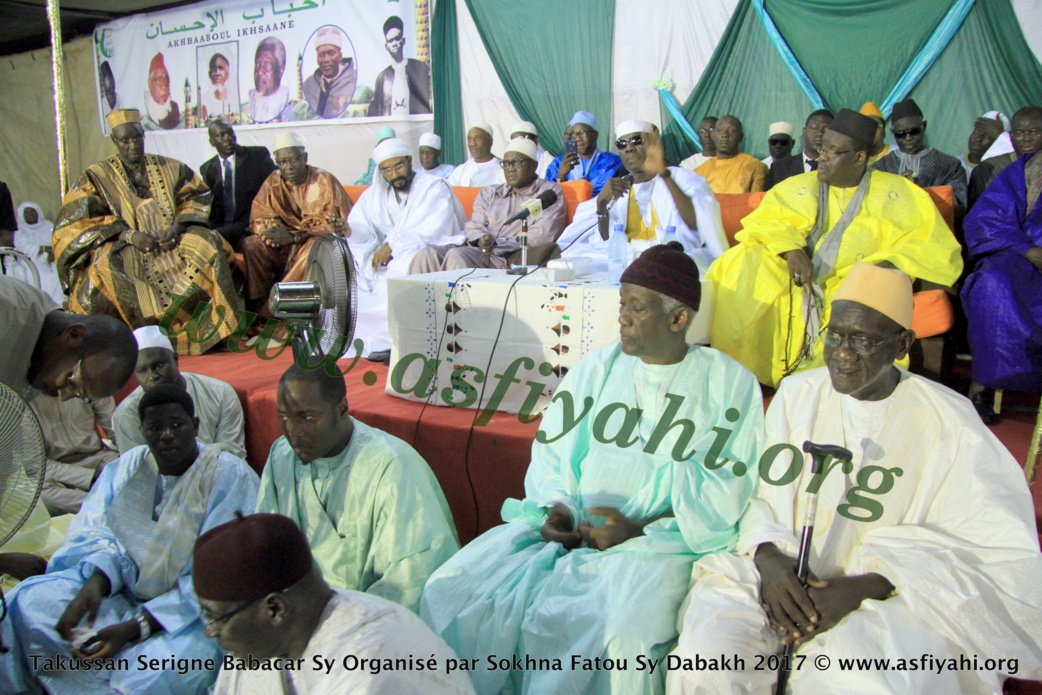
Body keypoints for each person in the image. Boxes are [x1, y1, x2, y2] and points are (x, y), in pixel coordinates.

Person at [668, 263, 1042, 695]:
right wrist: (767, 555)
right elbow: (753, 491)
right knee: (707, 661)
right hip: (780, 572)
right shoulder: (797, 394)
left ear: (902, 344)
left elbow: (986, 543)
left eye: (864, 341)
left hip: (896, 593)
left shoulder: (948, 421)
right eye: (836, 336)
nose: (843, 354)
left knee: (855, 678)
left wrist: (868, 586)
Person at [421, 243, 764, 695]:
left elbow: (725, 489)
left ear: (679, 318)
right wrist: (559, 508)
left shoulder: (728, 383)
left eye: (636, 308)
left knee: (615, 629)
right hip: (575, 529)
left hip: (662, 544)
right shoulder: (598, 367)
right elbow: (554, 451)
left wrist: (636, 528)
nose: (622, 318)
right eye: (621, 304)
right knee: (454, 589)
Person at [0, 385, 260, 695]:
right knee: (28, 600)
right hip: (119, 592)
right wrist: (96, 582)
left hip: (194, 615)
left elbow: (223, 576)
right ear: (141, 431)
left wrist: (137, 626)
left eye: (176, 425)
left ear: (195, 425)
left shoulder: (230, 476)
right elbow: (94, 530)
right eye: (155, 428)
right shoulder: (128, 467)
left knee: (142, 679)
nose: (166, 435)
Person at [707, 109, 962, 387]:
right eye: (822, 149)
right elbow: (764, 224)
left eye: (832, 151)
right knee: (740, 260)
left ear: (859, 157)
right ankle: (742, 373)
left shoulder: (898, 192)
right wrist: (791, 251)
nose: (822, 158)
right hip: (791, 273)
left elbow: (928, 243)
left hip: (854, 279)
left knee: (861, 293)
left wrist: (880, 266)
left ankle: (817, 384)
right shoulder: (797, 186)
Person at [195, 513, 476, 695]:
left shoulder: (371, 666)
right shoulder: (260, 649)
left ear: (275, 609)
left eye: (215, 617)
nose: (210, 632)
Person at [257, 364, 459, 612]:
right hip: (294, 615)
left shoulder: (391, 465)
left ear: (342, 409)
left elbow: (412, 580)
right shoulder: (282, 455)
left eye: (306, 418)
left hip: (369, 621)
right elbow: (267, 549)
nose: (293, 432)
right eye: (284, 418)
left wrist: (340, 622)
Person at [53, 109, 241, 355]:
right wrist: (129, 236)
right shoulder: (95, 176)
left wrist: (176, 228)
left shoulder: (170, 166)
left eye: (136, 138)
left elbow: (196, 195)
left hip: (172, 240)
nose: (132, 145)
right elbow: (78, 220)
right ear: (115, 140)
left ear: (143, 135)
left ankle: (215, 331)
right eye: (125, 140)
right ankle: (132, 339)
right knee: (105, 266)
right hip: (124, 244)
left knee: (209, 243)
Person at [558, 120, 728, 275]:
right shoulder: (619, 186)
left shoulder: (683, 178)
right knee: (573, 257)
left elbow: (699, 225)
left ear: (654, 145)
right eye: (622, 144)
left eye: (636, 140)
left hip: (672, 258)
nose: (629, 148)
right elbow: (605, 241)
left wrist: (664, 174)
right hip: (629, 259)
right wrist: (601, 206)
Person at [346, 137, 466, 357]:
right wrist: (348, 230)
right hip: (383, 257)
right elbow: (362, 227)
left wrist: (392, 245)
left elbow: (433, 227)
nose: (394, 174)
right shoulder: (374, 195)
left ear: (410, 161)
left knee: (404, 269)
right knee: (355, 280)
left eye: (399, 166)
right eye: (387, 170)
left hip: (423, 251)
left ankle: (396, 342)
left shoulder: (433, 187)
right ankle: (372, 343)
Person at [961, 146, 1042, 424]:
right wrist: (1026, 250)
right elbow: (988, 219)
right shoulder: (1027, 171)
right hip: (1024, 256)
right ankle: (981, 387)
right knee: (991, 283)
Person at [243, 130, 352, 323]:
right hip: (284, 247)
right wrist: (272, 231)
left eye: (293, 159)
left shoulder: (322, 180)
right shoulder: (273, 182)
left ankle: (277, 310)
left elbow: (337, 224)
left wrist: (295, 237)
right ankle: (257, 307)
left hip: (313, 243)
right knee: (252, 244)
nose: (288, 166)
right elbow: (260, 216)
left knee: (315, 245)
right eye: (282, 162)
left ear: (305, 157)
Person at [411, 137, 565, 272]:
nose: (510, 169)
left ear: (534, 165)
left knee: (457, 255)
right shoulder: (490, 193)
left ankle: (454, 298)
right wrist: (481, 238)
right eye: (506, 164)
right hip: (477, 248)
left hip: (505, 257)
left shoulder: (548, 193)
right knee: (427, 254)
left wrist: (497, 243)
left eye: (517, 163)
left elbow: (542, 235)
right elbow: (474, 224)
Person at [0, 274, 136, 405]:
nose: (62, 397)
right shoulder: (8, 307)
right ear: (73, 335)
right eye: (72, 383)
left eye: (78, 396)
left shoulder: (41, 369)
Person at [113, 325, 245, 457]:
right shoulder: (127, 414)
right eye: (142, 371)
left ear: (175, 359)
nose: (152, 376)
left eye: (158, 366)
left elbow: (233, 453)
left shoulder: (219, 393)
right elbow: (135, 464)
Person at [30, 394, 118, 515]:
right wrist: (89, 477)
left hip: (99, 458)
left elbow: (115, 429)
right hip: (58, 473)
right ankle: (109, 507)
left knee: (132, 469)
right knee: (40, 497)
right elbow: (35, 465)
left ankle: (103, 506)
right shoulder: (22, 403)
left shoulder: (87, 386)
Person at [872, 98, 967, 209]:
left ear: (924, 126)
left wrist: (920, 192)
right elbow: (873, 205)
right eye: (901, 134)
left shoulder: (949, 165)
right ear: (893, 133)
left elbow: (959, 205)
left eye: (914, 131)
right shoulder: (880, 168)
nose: (908, 138)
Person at [200, 120, 277, 250]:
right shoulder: (207, 169)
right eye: (222, 135)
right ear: (212, 142)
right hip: (221, 226)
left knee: (211, 238)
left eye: (230, 133)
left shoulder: (256, 156)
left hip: (249, 222)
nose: (228, 138)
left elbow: (276, 186)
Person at [969, 105, 1042, 208]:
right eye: (1019, 133)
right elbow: (976, 211)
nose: (1026, 138)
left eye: (1035, 132)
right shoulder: (988, 168)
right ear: (1011, 136)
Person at [545, 111, 622, 195]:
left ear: (595, 135)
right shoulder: (558, 163)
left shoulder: (612, 163)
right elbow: (549, 197)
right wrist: (561, 176)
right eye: (574, 134)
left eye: (583, 134)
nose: (578, 139)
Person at [367, 15, 431, 116]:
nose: (394, 43)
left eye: (397, 39)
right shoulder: (382, 78)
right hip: (391, 124)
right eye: (390, 41)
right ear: (386, 46)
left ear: (403, 40)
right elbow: (375, 111)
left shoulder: (418, 68)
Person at [696, 115, 768, 194]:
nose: (724, 135)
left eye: (732, 131)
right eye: (720, 130)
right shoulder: (699, 172)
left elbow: (756, 199)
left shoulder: (755, 167)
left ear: (740, 137)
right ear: (713, 135)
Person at [13, 201, 64, 304]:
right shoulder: (19, 231)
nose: (31, 214)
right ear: (22, 216)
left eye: (33, 211)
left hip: (53, 259)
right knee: (40, 276)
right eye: (27, 212)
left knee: (59, 275)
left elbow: (58, 242)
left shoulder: (49, 226)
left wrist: (53, 252)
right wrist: (42, 249)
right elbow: (23, 247)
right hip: (32, 261)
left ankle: (60, 303)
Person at [302, 26, 357, 118]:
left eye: (331, 53)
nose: (326, 59)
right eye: (321, 55)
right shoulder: (309, 84)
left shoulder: (353, 79)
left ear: (340, 56)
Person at [247, 36, 293, 124]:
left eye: (266, 64)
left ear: (281, 69)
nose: (260, 71)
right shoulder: (248, 103)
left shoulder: (289, 104)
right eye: (257, 64)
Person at [957, 111, 1007, 181]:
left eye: (988, 136)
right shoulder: (954, 165)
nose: (978, 139)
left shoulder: (1004, 170)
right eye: (976, 132)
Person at [142, 53, 180, 130]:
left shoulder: (173, 108)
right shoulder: (143, 108)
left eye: (165, 80)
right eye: (159, 80)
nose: (164, 86)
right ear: (150, 83)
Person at [765, 121, 803, 190]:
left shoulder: (800, 165)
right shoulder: (762, 165)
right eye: (774, 142)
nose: (778, 145)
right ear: (769, 143)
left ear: (792, 143)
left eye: (783, 142)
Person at [200, 52, 238, 121]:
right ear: (209, 74)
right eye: (214, 68)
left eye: (221, 68)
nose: (217, 72)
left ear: (227, 74)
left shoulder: (235, 99)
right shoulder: (203, 100)